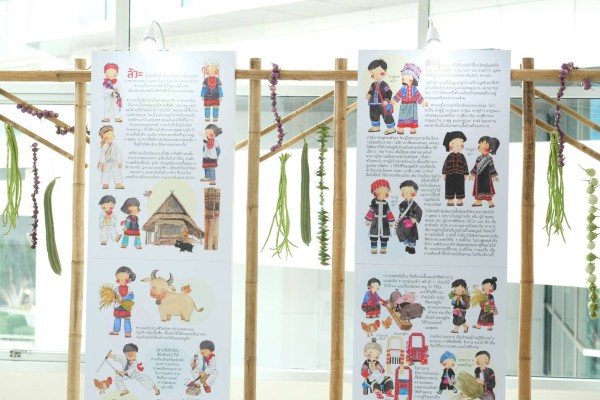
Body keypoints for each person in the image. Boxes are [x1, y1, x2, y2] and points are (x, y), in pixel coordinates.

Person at [392, 63, 428, 134]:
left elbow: (418, 96)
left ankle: (413, 128)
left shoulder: (414, 89)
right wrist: (393, 101)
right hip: (404, 105)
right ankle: (401, 128)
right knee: (403, 116)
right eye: (404, 76)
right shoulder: (403, 88)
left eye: (408, 76)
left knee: (413, 117)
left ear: (414, 78)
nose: (405, 78)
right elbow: (398, 94)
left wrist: (422, 102)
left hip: (412, 106)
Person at [365, 59, 396, 135]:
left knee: (386, 115)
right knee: (373, 115)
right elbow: (370, 91)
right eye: (373, 73)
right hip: (373, 103)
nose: (376, 75)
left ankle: (391, 128)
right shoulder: (373, 84)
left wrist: (386, 100)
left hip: (382, 104)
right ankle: (376, 127)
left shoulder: (384, 84)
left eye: (379, 72)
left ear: (385, 72)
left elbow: (389, 92)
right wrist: (368, 95)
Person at [365, 179, 395, 254]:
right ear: (376, 191)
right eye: (383, 191)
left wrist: (391, 221)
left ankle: (383, 249)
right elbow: (371, 211)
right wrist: (368, 220)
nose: (385, 193)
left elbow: (388, 212)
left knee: (384, 237)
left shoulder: (386, 203)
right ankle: (374, 249)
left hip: (384, 222)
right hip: (375, 221)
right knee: (374, 236)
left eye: (386, 191)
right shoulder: (374, 202)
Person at [469, 136, 500, 207]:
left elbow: (492, 168)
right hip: (479, 177)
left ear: (490, 150)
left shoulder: (489, 158)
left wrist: (494, 176)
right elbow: (475, 167)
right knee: (479, 190)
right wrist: (472, 174)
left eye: (485, 145)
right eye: (480, 145)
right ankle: (479, 202)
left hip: (487, 178)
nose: (481, 147)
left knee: (487, 190)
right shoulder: (478, 158)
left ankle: (490, 203)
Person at [442, 131, 469, 206]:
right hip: (449, 174)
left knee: (460, 187)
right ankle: (450, 201)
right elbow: (445, 165)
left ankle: (460, 201)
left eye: (460, 144)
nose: (457, 146)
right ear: (450, 145)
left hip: (460, 175)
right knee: (449, 187)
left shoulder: (462, 156)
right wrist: (444, 173)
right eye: (454, 144)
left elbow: (465, 165)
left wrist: (465, 174)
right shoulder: (449, 156)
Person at [395, 180, 423, 254]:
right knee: (399, 232)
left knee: (412, 235)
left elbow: (420, 211)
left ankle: (412, 247)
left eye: (410, 191)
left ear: (415, 192)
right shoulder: (401, 204)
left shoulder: (414, 204)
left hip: (411, 222)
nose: (407, 193)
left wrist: (415, 218)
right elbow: (401, 213)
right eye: (404, 191)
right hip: (403, 222)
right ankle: (407, 245)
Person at [109, 266, 136, 338]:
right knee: (117, 319)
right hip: (118, 306)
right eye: (119, 280)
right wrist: (114, 299)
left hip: (126, 306)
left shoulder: (129, 289)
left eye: (125, 280)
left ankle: (128, 332)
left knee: (127, 319)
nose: (122, 281)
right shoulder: (116, 289)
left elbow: (132, 297)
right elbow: (114, 297)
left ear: (129, 280)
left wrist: (123, 298)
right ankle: (116, 331)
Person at [98, 125, 125, 190]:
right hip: (107, 162)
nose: (111, 137)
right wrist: (102, 162)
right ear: (104, 138)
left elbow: (118, 154)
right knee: (105, 172)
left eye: (112, 135)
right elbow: (102, 155)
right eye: (108, 136)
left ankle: (118, 184)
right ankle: (105, 184)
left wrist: (119, 162)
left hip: (114, 162)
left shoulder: (115, 145)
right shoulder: (104, 146)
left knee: (117, 172)